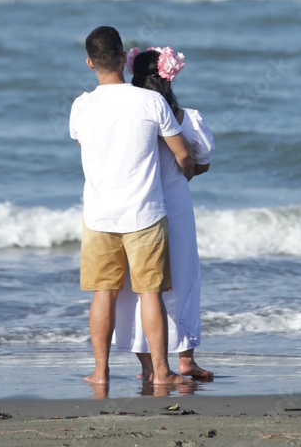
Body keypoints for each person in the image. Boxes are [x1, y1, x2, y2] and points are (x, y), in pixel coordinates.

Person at [69, 26, 194, 388]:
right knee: (149, 294)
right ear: (124, 58)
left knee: (102, 293)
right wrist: (186, 174)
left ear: (90, 62)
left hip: (99, 215)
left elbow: (87, 151)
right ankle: (161, 371)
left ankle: (100, 372)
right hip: (144, 214)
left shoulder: (81, 106)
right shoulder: (149, 102)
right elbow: (182, 153)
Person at [114, 46, 215, 381]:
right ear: (168, 79)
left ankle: (147, 364)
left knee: (140, 286)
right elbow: (202, 163)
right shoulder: (187, 118)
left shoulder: (130, 120)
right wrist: (181, 173)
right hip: (176, 207)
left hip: (138, 208)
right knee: (184, 281)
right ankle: (185, 358)